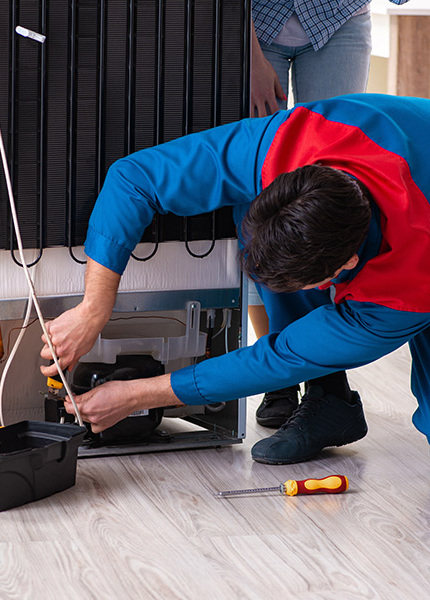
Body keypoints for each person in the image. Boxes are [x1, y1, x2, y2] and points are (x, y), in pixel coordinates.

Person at [40, 93, 430, 465]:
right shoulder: (292, 142)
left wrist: (135, 395)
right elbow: (135, 178)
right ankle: (330, 400)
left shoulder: (405, 292)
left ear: (347, 263)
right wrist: (94, 308)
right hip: (394, 138)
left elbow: (280, 358)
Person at [249, 0, 409, 429]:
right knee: (264, 194)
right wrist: (244, 52)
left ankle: (323, 376)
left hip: (338, 20)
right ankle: (277, 370)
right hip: (255, 25)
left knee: (334, 189)